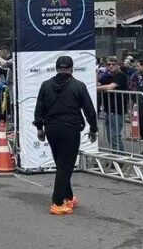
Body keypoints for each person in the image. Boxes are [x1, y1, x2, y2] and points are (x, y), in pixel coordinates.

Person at [33, 55, 98, 215]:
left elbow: (39, 107)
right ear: (72, 68)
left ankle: (68, 197)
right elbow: (89, 110)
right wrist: (93, 129)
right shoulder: (78, 86)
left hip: (51, 128)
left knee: (61, 163)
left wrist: (39, 128)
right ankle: (57, 202)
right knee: (66, 165)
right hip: (70, 128)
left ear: (56, 68)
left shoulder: (46, 85)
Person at [96, 56, 129, 152]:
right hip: (108, 109)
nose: (111, 66)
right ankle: (115, 155)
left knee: (114, 135)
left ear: (118, 65)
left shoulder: (121, 76)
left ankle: (120, 157)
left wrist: (94, 89)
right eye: (108, 64)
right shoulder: (107, 76)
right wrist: (97, 73)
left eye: (113, 64)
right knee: (110, 136)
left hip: (118, 110)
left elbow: (110, 87)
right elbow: (98, 83)